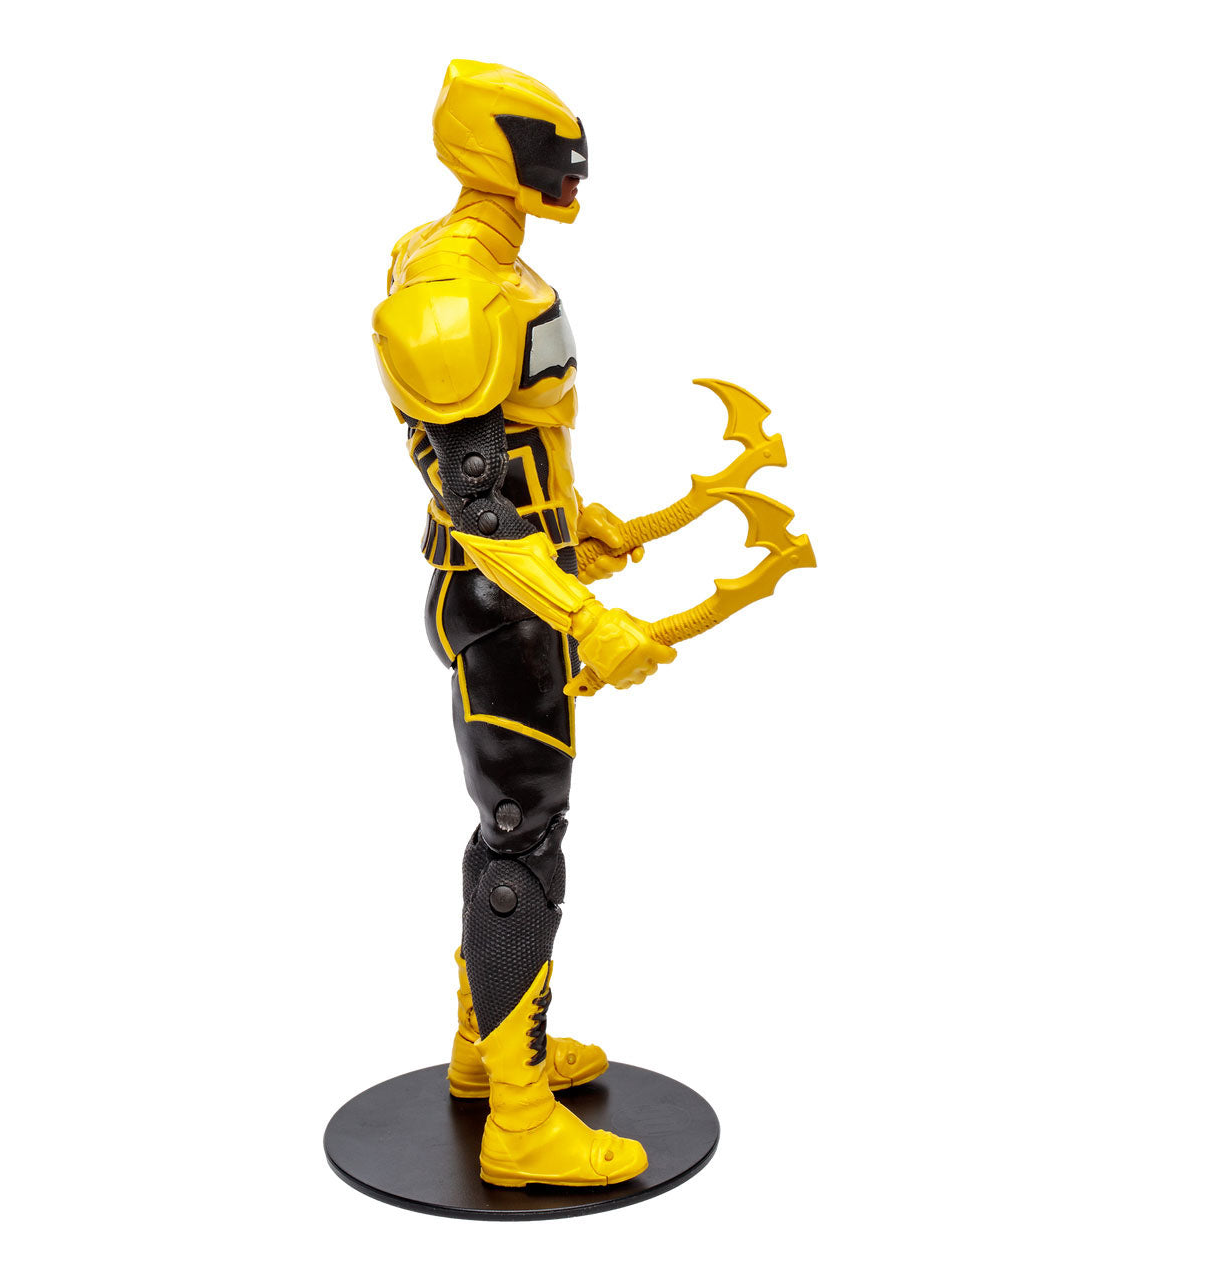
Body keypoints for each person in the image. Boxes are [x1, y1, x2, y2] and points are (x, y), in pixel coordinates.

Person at [372, 60, 674, 1188]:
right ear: (493, 148)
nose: (572, 169)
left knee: (514, 828)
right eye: (552, 148)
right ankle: (517, 1121)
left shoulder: (481, 264)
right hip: (504, 603)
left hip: (522, 582)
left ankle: (483, 1053)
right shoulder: (453, 288)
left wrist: (579, 523)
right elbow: (474, 503)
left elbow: (510, 447)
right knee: (522, 839)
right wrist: (584, 614)